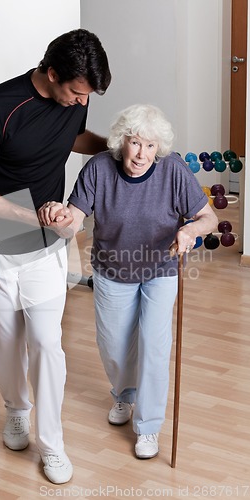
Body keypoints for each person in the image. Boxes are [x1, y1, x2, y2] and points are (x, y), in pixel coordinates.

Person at [0, 28, 111, 484]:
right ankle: (15, 408)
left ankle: (53, 444)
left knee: (46, 343)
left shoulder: (76, 99)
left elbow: (73, 137)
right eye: (76, 93)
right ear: (51, 73)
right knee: (4, 345)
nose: (81, 103)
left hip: (45, 247)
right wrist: (36, 218)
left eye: (89, 96)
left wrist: (115, 148)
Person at [38, 104, 218, 460]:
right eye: (135, 143)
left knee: (154, 345)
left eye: (150, 146)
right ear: (122, 142)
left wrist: (190, 230)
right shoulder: (98, 169)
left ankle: (148, 426)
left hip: (161, 269)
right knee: (114, 346)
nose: (142, 154)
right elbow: (74, 220)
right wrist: (58, 219)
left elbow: (208, 218)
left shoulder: (174, 171)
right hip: (112, 269)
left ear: (159, 149)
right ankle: (123, 395)